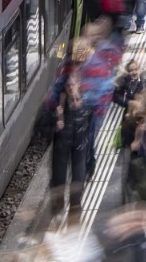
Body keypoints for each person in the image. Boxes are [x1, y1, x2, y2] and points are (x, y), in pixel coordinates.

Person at [50, 73, 93, 215]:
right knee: (59, 180)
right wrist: (56, 122)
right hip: (61, 148)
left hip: (79, 147)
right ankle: (58, 210)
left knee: (78, 180)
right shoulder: (58, 105)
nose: (70, 88)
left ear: (79, 84)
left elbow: (90, 128)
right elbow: (43, 127)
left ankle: (75, 210)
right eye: (68, 85)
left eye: (73, 85)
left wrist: (90, 157)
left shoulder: (86, 104)